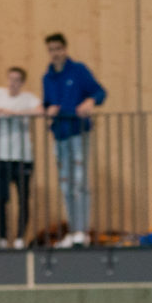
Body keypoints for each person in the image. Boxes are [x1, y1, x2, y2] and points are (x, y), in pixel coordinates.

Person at [42, 33, 107, 248]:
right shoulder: (47, 78)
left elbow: (100, 92)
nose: (55, 53)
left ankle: (82, 230)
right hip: (59, 135)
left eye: (58, 48)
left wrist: (89, 102)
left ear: (65, 49)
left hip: (78, 132)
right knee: (66, 184)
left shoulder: (78, 70)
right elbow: (46, 104)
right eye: (51, 49)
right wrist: (48, 110)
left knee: (80, 182)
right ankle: (73, 229)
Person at [0, 67, 42, 249]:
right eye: (10, 79)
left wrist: (15, 113)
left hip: (23, 157)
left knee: (23, 198)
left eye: (17, 80)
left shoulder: (28, 98)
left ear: (22, 83)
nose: (12, 83)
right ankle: (1, 237)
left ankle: (20, 237)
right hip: (2, 157)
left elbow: (40, 111)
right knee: (1, 199)